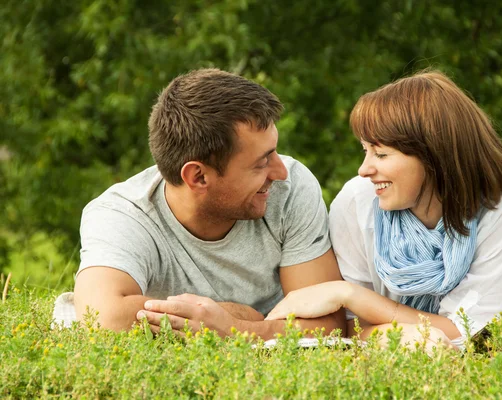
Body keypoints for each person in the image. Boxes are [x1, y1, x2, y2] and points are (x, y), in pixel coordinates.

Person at [266, 70, 502, 349]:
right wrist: (412, 335)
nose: (364, 170)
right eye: (365, 151)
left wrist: (350, 294)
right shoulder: (357, 200)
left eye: (381, 154)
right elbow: (350, 329)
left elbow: (476, 333)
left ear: (435, 155)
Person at [64, 68, 346, 338]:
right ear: (198, 177)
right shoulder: (122, 215)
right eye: (262, 163)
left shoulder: (290, 188)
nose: (280, 171)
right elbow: (103, 318)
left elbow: (330, 325)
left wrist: (237, 328)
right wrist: (243, 317)